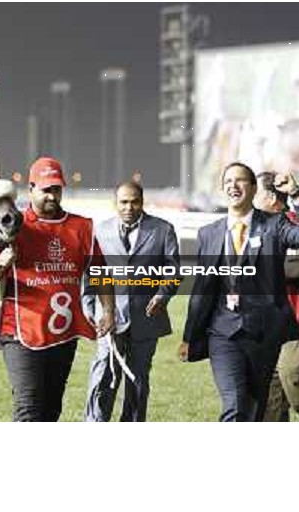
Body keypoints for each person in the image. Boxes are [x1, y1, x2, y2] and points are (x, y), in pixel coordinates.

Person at [178, 162, 299, 421]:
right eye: (228, 181)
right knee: (235, 405)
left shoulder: (275, 224)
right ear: (223, 188)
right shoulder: (208, 234)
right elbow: (202, 289)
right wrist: (190, 336)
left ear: (254, 189)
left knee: (260, 410)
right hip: (223, 334)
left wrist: (297, 194)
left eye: (241, 180)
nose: (234, 185)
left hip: (268, 333)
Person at [0, 157, 115, 421]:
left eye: (56, 189)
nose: (52, 195)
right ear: (30, 189)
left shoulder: (82, 227)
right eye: (45, 189)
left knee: (51, 411)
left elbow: (99, 271)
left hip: (63, 333)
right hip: (20, 332)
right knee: (28, 410)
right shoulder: (11, 224)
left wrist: (108, 309)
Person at [85, 180, 180, 422]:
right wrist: (88, 307)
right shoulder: (100, 230)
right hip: (109, 319)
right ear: (115, 203)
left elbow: (173, 272)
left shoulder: (162, 230)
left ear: (142, 202)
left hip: (146, 319)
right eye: (124, 202)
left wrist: (162, 295)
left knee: (138, 380)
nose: (129, 207)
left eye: (134, 201)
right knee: (103, 375)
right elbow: (89, 272)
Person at [255, 171, 299, 421]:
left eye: (257, 192)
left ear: (273, 198)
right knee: (269, 410)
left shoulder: (295, 224)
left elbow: (296, 268)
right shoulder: (253, 229)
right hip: (265, 329)